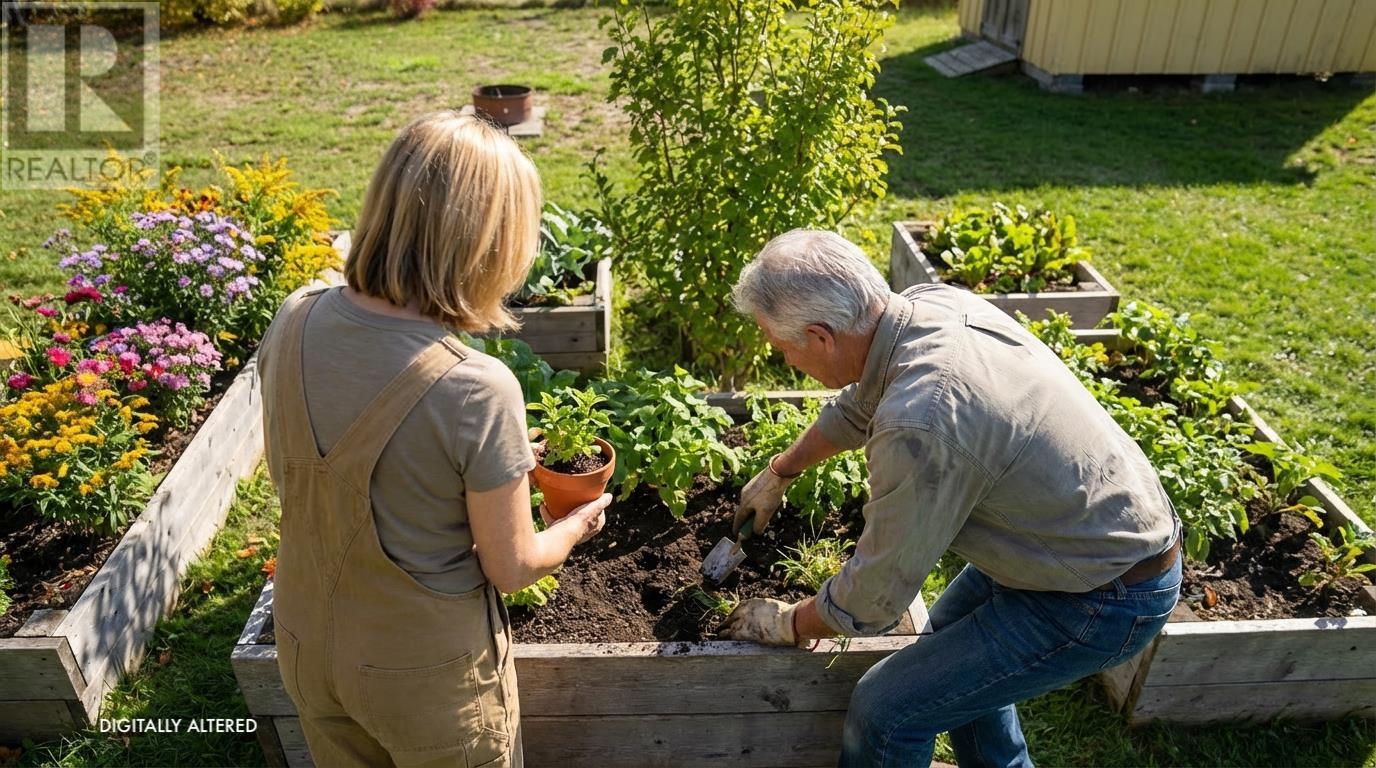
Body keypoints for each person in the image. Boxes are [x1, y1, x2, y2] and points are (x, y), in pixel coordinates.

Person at [718, 229, 1181, 767]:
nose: (786, 362)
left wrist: (788, 623)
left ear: (821, 337)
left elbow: (874, 597)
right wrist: (781, 470)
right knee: (949, 664)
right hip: (1075, 537)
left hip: (1101, 595)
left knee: (888, 710)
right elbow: (856, 407)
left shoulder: (920, 422)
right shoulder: (925, 308)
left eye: (783, 349)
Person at [258, 111, 609, 768]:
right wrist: (575, 526)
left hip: (305, 641)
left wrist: (484, 462)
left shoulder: (296, 314)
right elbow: (512, 567)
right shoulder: (476, 386)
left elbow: (324, 466)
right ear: (487, 245)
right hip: (425, 676)